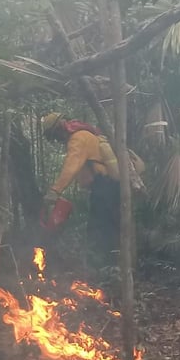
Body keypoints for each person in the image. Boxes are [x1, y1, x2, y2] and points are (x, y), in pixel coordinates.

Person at [42, 112, 120, 263]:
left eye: (55, 136)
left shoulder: (78, 138)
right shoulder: (85, 134)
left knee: (99, 226)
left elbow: (71, 167)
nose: (57, 140)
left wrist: (55, 191)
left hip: (104, 185)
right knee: (109, 223)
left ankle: (103, 264)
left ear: (59, 129)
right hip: (107, 185)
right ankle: (111, 262)